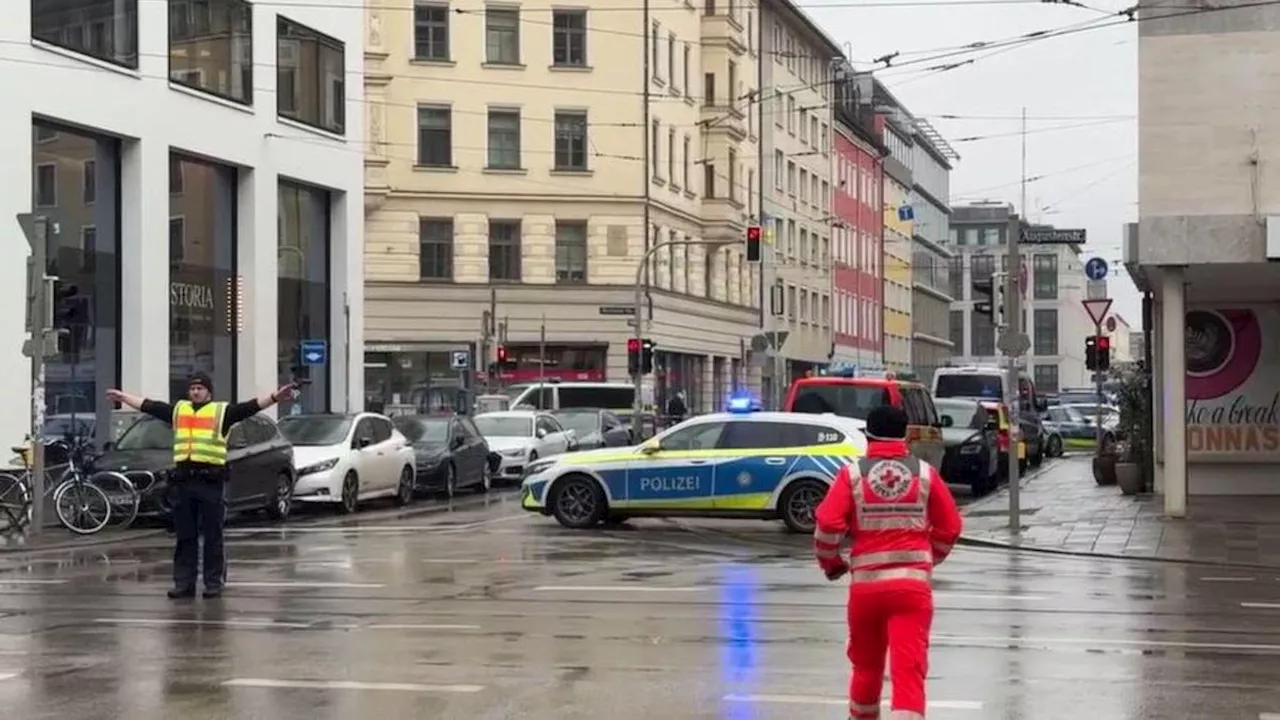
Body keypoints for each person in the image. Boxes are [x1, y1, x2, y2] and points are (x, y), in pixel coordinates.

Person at [812, 405, 963, 720]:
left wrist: (832, 564)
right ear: (905, 435)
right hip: (911, 591)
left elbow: (827, 525)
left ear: (868, 436)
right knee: (908, 671)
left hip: (866, 591)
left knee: (866, 667)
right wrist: (927, 559)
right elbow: (950, 527)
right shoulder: (925, 474)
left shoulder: (852, 475)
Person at [106, 374, 297, 600]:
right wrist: (124, 397)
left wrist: (275, 397)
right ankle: (183, 583)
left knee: (213, 537)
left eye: (200, 388)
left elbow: (249, 408)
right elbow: (151, 406)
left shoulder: (220, 412)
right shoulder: (179, 411)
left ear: (209, 392)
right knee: (185, 537)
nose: (195, 392)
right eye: (192, 388)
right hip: (184, 482)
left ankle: (213, 583)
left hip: (211, 482)